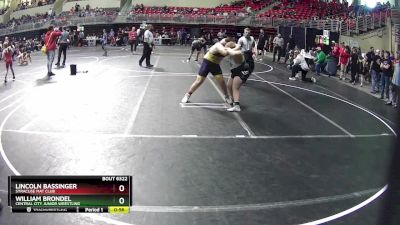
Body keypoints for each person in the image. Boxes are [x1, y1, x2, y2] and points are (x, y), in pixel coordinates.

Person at [181, 37, 237, 104]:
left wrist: (235, 47)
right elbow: (224, 53)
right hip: (207, 63)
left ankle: (226, 96)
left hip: (215, 65)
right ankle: (188, 94)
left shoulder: (227, 46)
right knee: (199, 81)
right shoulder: (218, 45)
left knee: (221, 82)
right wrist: (236, 47)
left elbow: (231, 55)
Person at [225, 41, 252, 112]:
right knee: (229, 85)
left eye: (227, 48)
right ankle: (232, 100)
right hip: (235, 70)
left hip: (242, 70)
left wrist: (229, 49)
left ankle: (237, 106)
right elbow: (236, 46)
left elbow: (234, 51)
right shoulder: (232, 51)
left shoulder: (236, 54)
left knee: (235, 87)